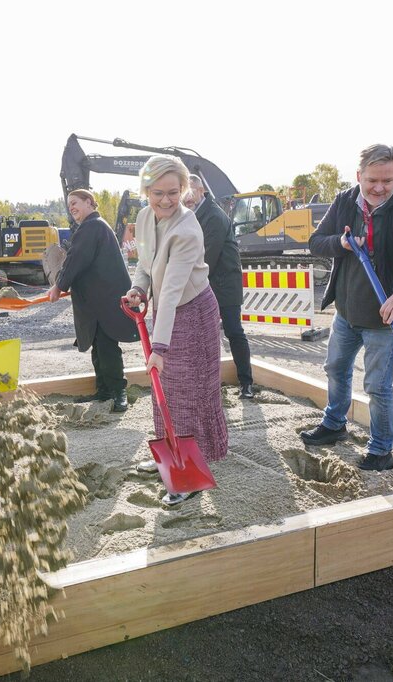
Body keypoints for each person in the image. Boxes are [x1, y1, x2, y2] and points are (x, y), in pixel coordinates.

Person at [300, 144, 393, 471]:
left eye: (387, 180)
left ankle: (381, 449)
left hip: (385, 319)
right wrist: (341, 244)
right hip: (347, 312)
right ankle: (334, 424)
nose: (379, 188)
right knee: (335, 369)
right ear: (359, 176)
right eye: (372, 180)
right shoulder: (345, 202)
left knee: (377, 386)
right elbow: (316, 242)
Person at [124, 156, 229, 506]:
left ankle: (191, 476)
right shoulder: (142, 217)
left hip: (193, 312)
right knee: (164, 391)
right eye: (157, 193)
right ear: (146, 191)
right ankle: (167, 460)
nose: (166, 200)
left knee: (188, 392)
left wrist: (160, 348)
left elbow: (170, 291)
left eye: (173, 192)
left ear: (183, 189)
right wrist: (138, 290)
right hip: (167, 316)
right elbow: (144, 266)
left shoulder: (187, 229)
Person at [48, 189, 138, 412]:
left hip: (105, 301)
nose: (72, 208)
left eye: (76, 203)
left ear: (90, 203)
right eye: (69, 206)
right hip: (99, 301)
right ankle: (104, 391)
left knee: (107, 348)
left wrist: (59, 285)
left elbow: (76, 260)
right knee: (98, 347)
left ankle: (119, 393)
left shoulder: (92, 227)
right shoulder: (93, 227)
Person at [188, 174, 254, 399]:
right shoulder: (194, 215)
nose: (186, 198)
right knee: (204, 335)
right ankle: (208, 383)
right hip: (207, 284)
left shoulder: (213, 216)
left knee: (234, 331)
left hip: (224, 286)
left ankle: (246, 382)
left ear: (201, 191)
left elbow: (208, 256)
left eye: (189, 192)